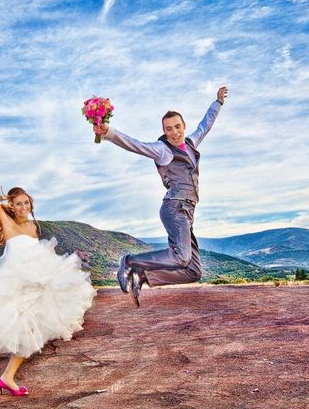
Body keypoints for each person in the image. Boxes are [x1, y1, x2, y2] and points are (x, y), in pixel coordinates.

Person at [0, 149, 96, 396]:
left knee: (32, 333)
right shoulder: (7, 223)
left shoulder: (33, 227)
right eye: (18, 203)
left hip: (35, 285)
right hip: (11, 284)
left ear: (31, 204)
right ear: (11, 206)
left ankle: (7, 377)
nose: (23, 206)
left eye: (26, 202)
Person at [93, 87, 228, 307]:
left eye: (177, 127)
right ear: (164, 131)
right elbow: (134, 144)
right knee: (181, 257)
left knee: (193, 270)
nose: (174, 132)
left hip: (187, 211)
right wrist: (108, 132)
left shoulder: (191, 144)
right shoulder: (162, 149)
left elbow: (205, 125)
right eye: (169, 129)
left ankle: (145, 277)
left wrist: (218, 103)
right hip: (174, 208)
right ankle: (129, 261)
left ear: (183, 126)